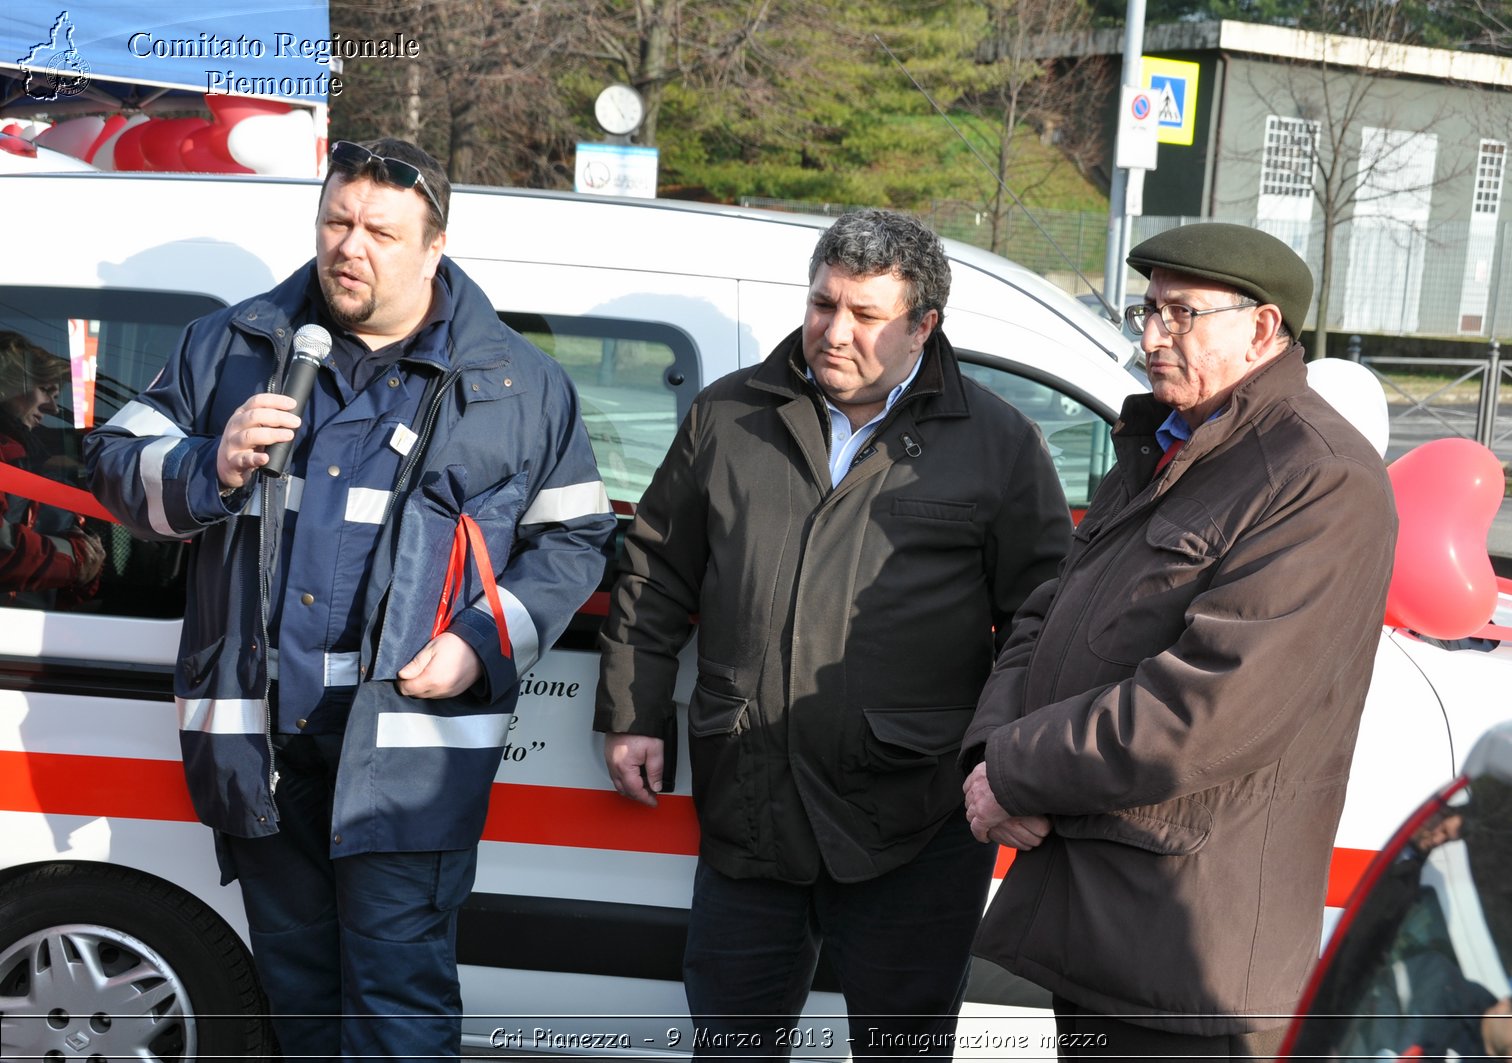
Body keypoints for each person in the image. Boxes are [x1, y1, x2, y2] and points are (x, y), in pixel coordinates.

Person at [85, 138, 614, 1061]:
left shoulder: (519, 384)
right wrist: (208, 460)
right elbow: (113, 464)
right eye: (336, 221)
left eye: (379, 230)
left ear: (433, 247)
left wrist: (484, 642)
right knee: (298, 995)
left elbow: (574, 538)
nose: (349, 246)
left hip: (410, 748)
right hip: (261, 738)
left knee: (397, 1002)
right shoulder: (233, 345)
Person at [595, 209, 1073, 1058]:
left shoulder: (996, 443)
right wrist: (634, 709)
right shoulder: (729, 415)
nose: (833, 331)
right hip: (752, 807)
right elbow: (656, 567)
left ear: (924, 324)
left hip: (916, 823)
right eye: (823, 304)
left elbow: (1042, 620)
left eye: (865, 315)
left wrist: (1004, 758)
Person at [960, 223, 1400, 1059]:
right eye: (1148, 310)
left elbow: (1205, 708)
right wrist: (989, 752)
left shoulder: (1318, 478)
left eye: (1180, 314)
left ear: (1262, 329)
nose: (1152, 338)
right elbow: (1046, 614)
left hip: (1188, 957)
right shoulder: (1171, 439)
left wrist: (1013, 769)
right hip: (1102, 928)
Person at [0, 331, 104, 603]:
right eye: (45, 390)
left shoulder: (28, 460)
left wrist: (82, 573)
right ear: (7, 383)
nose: (54, 409)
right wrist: (75, 558)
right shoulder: (15, 457)